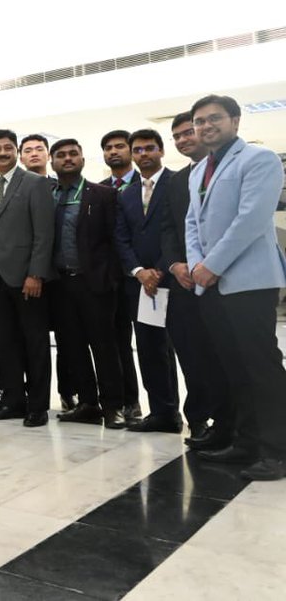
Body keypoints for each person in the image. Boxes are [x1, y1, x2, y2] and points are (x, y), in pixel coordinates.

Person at [186, 94, 286, 482]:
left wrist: (211, 265)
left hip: (248, 281)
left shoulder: (259, 160)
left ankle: (277, 449)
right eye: (199, 121)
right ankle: (246, 442)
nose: (206, 126)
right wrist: (197, 265)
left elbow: (250, 219)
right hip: (209, 284)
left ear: (235, 121)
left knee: (260, 366)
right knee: (233, 367)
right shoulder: (198, 170)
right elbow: (192, 223)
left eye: (214, 119)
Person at [0, 129, 55, 427]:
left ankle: (38, 406)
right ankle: (13, 401)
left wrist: (36, 273)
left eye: (9, 148)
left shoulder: (34, 184)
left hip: (26, 279)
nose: (3, 153)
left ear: (17, 151)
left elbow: (44, 234)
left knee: (34, 342)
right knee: (4, 343)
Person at [46, 139, 125, 429]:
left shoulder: (103, 194)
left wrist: (111, 277)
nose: (67, 159)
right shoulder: (47, 195)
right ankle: (88, 403)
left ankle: (113, 406)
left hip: (95, 284)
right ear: (52, 161)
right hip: (59, 285)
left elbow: (116, 239)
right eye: (61, 155)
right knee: (72, 347)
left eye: (73, 154)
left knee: (105, 347)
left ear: (82, 159)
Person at [162, 112, 225, 449]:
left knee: (227, 354)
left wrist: (208, 264)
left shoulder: (230, 169)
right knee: (192, 352)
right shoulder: (176, 180)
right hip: (185, 282)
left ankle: (234, 420)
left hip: (223, 279)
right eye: (178, 136)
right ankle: (200, 417)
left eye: (189, 132)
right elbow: (169, 227)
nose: (184, 139)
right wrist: (175, 263)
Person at [114, 129, 182, 433]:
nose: (144, 154)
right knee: (150, 349)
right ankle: (162, 413)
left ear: (161, 151)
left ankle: (197, 416)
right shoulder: (126, 193)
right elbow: (121, 237)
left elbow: (180, 230)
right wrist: (139, 271)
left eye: (149, 148)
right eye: (138, 150)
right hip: (141, 285)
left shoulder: (179, 183)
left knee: (186, 350)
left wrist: (160, 269)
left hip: (177, 280)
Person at [100, 129, 141, 422]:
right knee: (117, 344)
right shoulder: (99, 189)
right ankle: (130, 401)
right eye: (108, 148)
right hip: (111, 280)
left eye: (120, 146)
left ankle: (172, 409)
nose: (114, 152)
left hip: (146, 277)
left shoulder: (149, 183)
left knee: (157, 346)